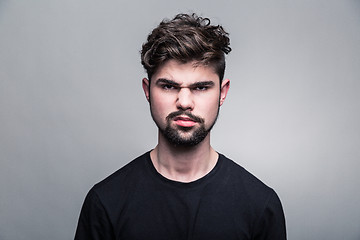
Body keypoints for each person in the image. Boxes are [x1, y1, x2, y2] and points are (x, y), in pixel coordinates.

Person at [74, 13, 286, 240]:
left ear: (222, 93)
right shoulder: (106, 202)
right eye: (168, 86)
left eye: (201, 87)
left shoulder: (260, 205)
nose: (184, 102)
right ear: (147, 91)